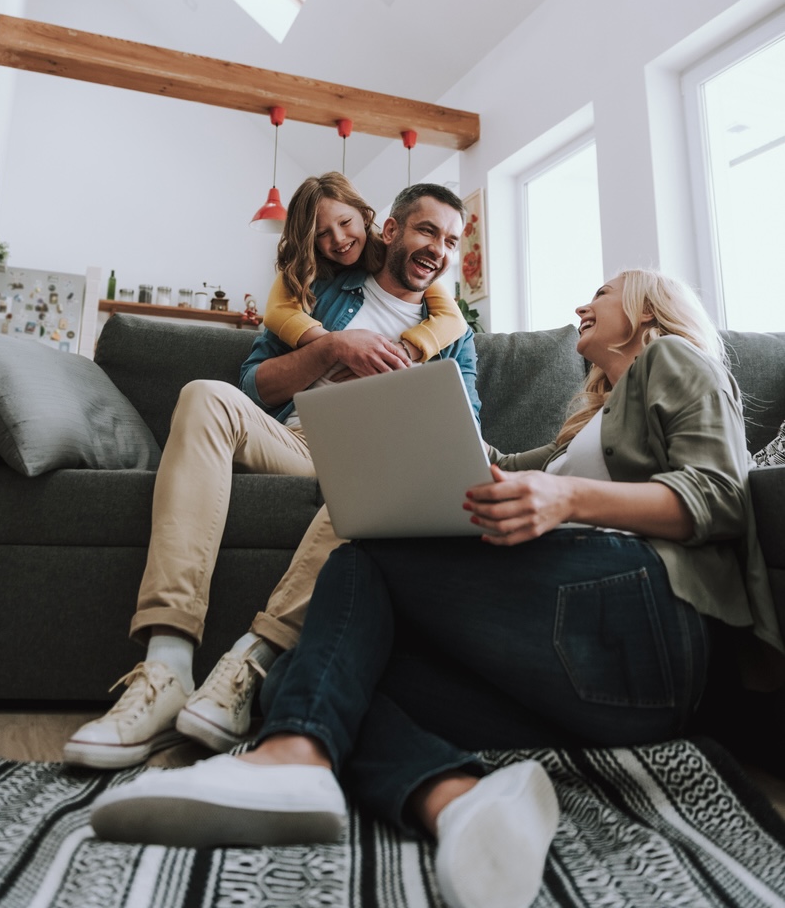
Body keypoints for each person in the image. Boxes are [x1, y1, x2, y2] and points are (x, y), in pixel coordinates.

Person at [90, 269, 784, 908]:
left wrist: (565, 496)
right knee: (314, 671)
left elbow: (719, 498)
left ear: (643, 310)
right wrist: (438, 440)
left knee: (366, 557)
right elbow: (505, 469)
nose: (582, 304)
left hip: (650, 629)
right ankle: (457, 802)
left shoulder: (674, 359)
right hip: (593, 691)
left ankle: (292, 754)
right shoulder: (588, 417)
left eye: (601, 294)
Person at [64, 176, 476, 769]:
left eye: (451, 239)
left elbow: (469, 417)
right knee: (204, 395)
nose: (439, 247)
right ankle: (166, 663)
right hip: (298, 437)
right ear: (391, 231)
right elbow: (254, 384)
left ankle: (249, 663)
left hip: (382, 455)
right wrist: (334, 348)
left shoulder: (454, 333)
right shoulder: (328, 289)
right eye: (427, 230)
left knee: (387, 483)